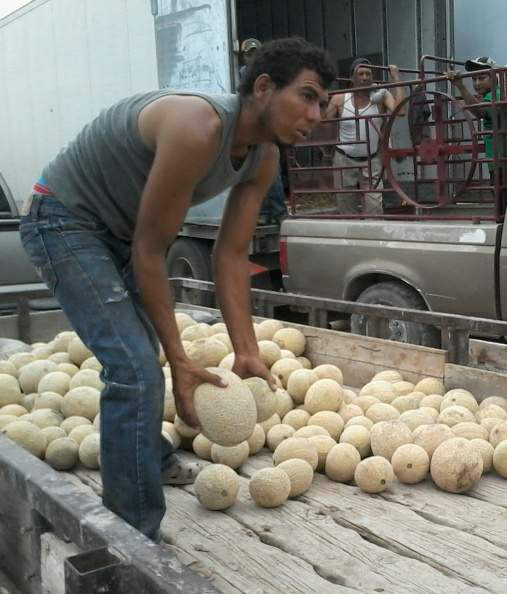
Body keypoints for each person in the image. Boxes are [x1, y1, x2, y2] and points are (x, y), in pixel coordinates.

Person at [19, 37, 335, 541]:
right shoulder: (200, 126)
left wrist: (247, 351)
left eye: (323, 103)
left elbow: (230, 256)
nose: (317, 113)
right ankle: (132, 539)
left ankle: (151, 458)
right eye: (308, 95)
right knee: (137, 368)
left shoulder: (264, 157)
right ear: (262, 87)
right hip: (64, 218)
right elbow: (151, 251)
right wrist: (181, 362)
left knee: (139, 357)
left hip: (118, 232)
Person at [326, 58, 405, 214]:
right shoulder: (340, 98)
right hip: (344, 159)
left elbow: (400, 111)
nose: (364, 77)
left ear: (372, 77)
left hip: (371, 159)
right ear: (352, 78)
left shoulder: (381, 97)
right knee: (346, 207)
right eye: (360, 74)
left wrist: (396, 79)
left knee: (375, 207)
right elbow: (324, 121)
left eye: (368, 74)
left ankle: (373, 236)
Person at [446, 56, 507, 194]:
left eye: (482, 78)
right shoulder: (497, 94)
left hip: (503, 161)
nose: (477, 83)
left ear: (494, 78)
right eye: (474, 79)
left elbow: (480, 112)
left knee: (502, 203)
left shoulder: (496, 95)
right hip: (503, 160)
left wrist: (461, 86)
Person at [240, 38, 288, 224]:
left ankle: (275, 211)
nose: (253, 58)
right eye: (249, 54)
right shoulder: (245, 76)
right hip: (255, 128)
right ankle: (270, 212)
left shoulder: (270, 76)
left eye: (256, 53)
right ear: (244, 57)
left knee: (272, 170)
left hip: (268, 128)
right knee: (260, 171)